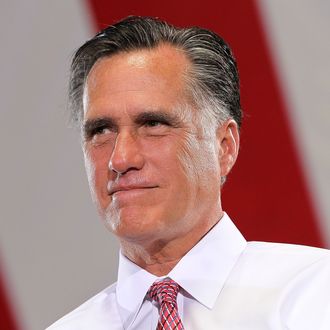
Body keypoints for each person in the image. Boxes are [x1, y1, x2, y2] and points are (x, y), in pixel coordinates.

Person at [48, 16, 330, 329]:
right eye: (101, 130)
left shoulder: (314, 294)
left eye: (153, 124)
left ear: (223, 147)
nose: (121, 158)